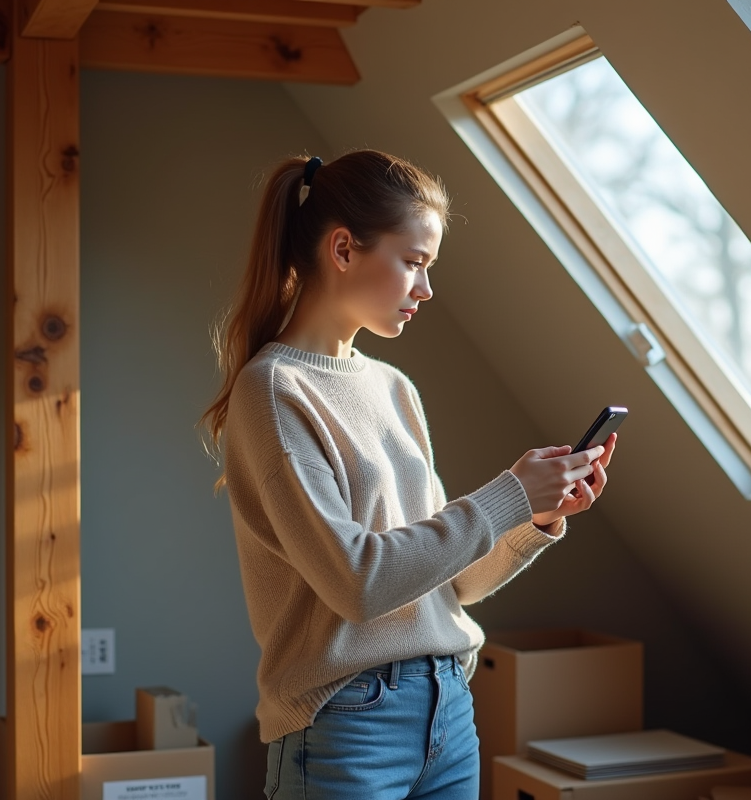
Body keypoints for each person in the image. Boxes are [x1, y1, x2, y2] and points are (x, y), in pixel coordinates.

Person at [201, 150, 617, 800]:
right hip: (343, 724)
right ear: (343, 249)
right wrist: (507, 493)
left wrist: (533, 516)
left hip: (449, 709)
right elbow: (360, 585)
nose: (426, 289)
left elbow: (447, 585)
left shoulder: (395, 388)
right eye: (414, 263)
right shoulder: (275, 391)